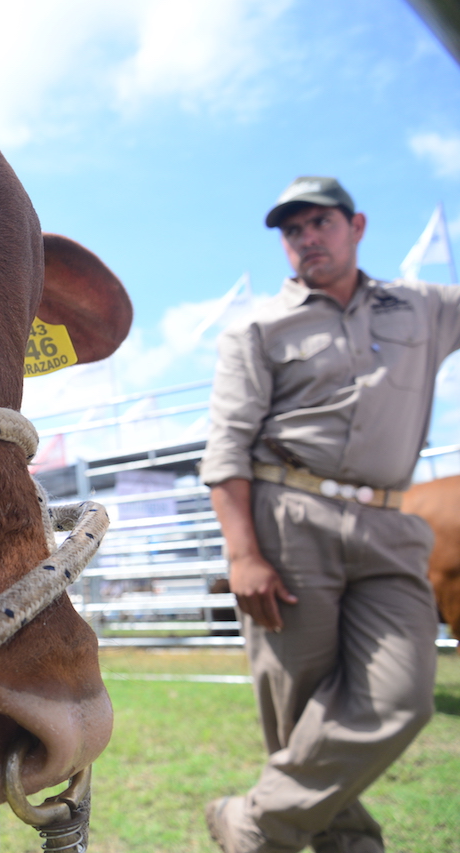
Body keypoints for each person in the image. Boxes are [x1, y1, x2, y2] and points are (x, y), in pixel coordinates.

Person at [200, 176, 460, 853]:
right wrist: (242, 554)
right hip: (290, 517)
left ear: (358, 225)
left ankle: (254, 823)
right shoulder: (257, 329)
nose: (307, 239)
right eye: (293, 231)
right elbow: (226, 446)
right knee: (299, 703)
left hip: (392, 523)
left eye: (320, 223)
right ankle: (350, 845)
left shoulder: (426, 308)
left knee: (403, 698)